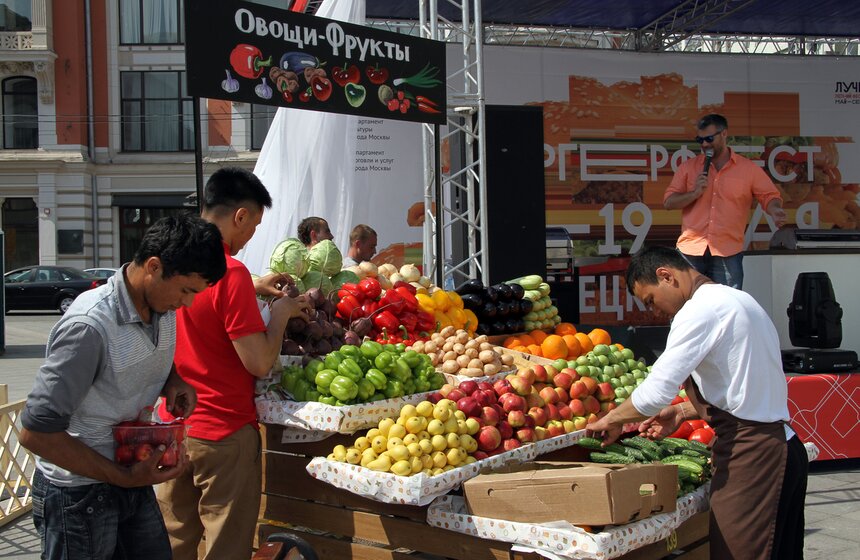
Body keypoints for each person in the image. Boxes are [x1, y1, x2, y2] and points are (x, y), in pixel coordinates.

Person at [19, 214, 227, 560]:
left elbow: (134, 357)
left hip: (130, 476)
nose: (187, 304)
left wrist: (172, 380)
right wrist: (121, 476)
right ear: (154, 266)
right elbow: (35, 432)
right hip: (78, 497)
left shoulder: (161, 306)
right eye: (187, 291)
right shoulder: (89, 327)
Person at [588, 246, 808, 560]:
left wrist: (611, 420)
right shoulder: (738, 299)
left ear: (666, 276)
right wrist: (681, 410)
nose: (654, 311)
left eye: (650, 299)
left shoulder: (698, 311)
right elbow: (745, 387)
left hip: (755, 457)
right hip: (784, 447)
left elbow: (656, 391)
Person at [156, 167, 312, 560]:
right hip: (223, 431)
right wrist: (280, 315)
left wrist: (252, 288)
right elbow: (258, 361)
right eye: (254, 225)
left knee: (173, 541)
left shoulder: (172, 262)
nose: (252, 236)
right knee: (226, 546)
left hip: (172, 428)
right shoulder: (233, 273)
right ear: (239, 216)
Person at [664, 113, 786, 289]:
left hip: (728, 251)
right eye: (700, 140)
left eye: (709, 138)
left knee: (728, 308)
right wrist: (694, 193)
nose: (705, 144)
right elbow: (668, 202)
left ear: (724, 134)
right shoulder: (689, 167)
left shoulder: (748, 169)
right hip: (690, 251)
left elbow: (770, 196)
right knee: (687, 306)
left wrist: (775, 210)